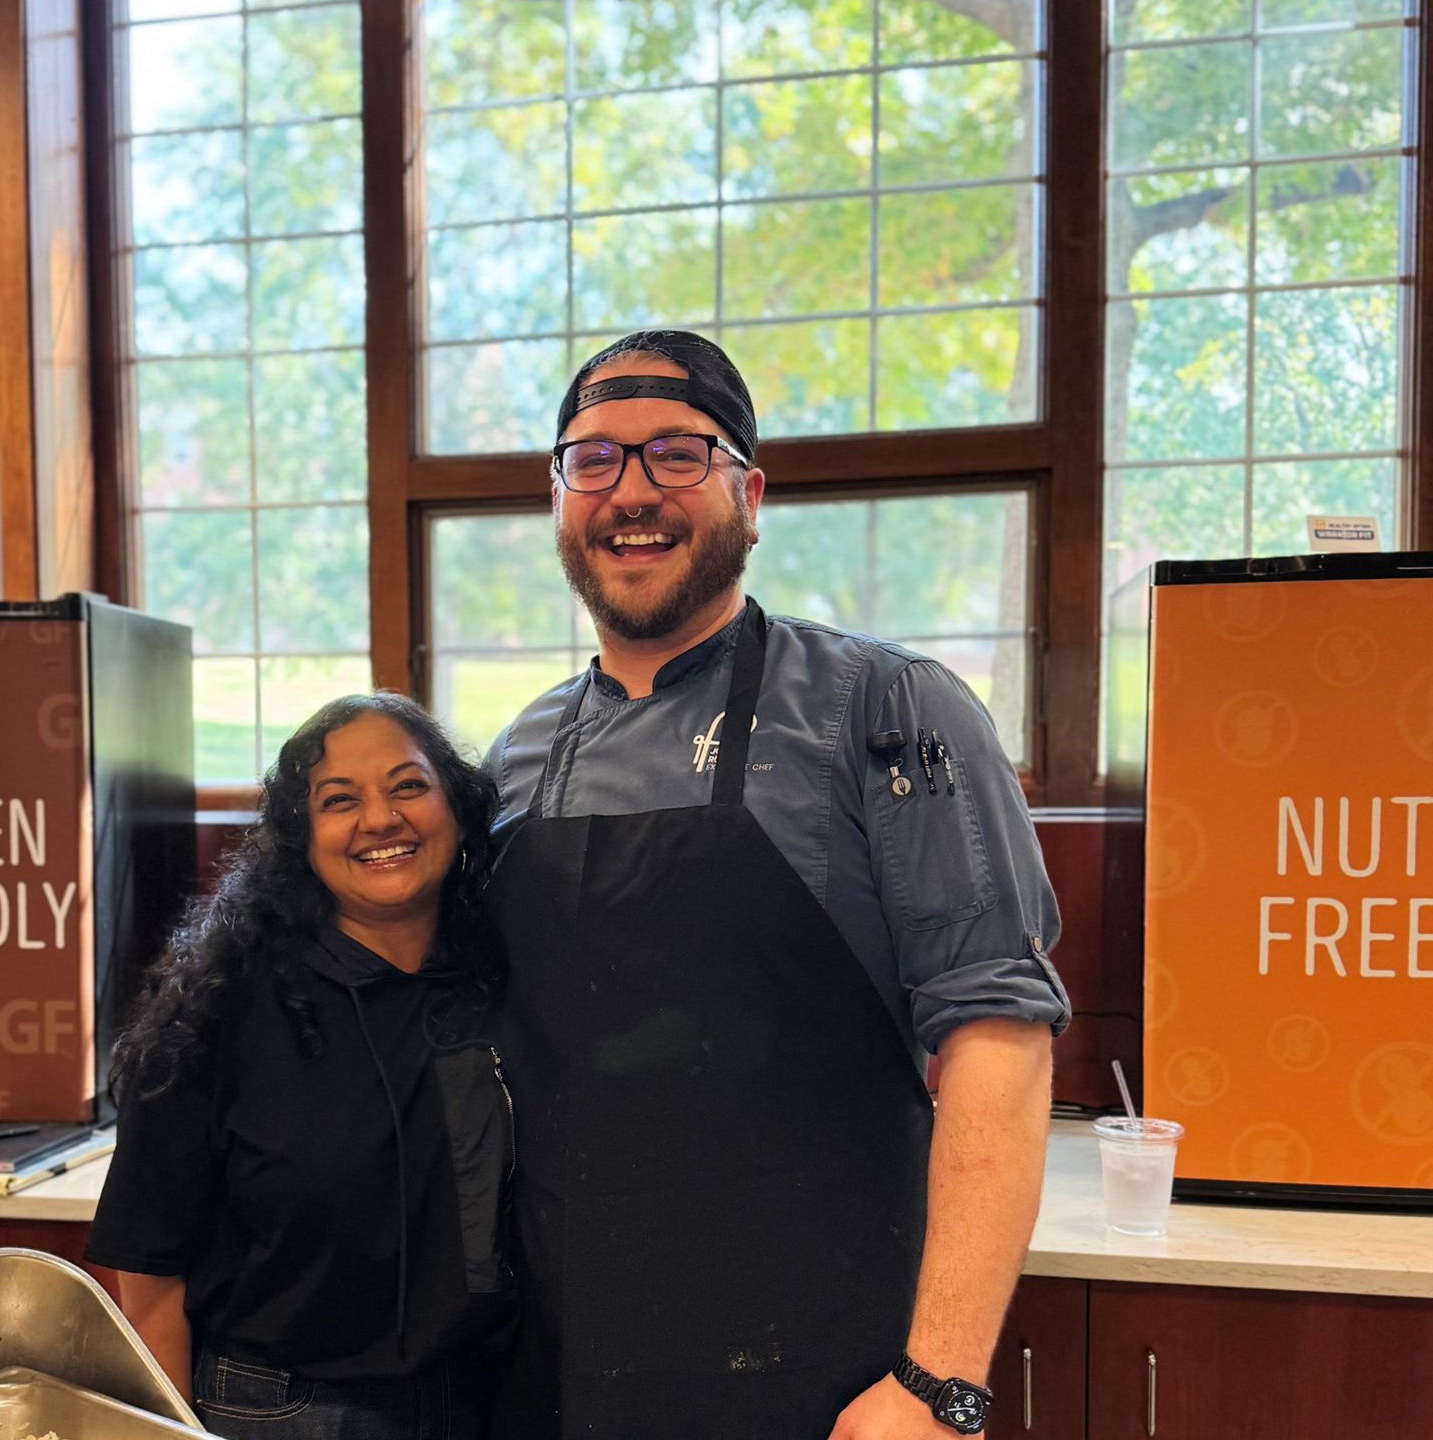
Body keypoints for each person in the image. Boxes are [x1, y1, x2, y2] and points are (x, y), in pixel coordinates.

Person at [483, 330, 1071, 1440]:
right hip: (562, 1369)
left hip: (827, 1379)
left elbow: (1001, 1040)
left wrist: (938, 1386)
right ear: (558, 498)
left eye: (676, 455)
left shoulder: (886, 710)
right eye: (594, 460)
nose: (631, 492)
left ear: (749, 496)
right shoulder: (519, 751)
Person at [87, 693, 516, 1439]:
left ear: (457, 805)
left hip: (475, 1399)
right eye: (339, 801)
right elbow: (149, 1270)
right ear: (301, 837)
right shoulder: (217, 1016)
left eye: (408, 786)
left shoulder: (502, 982)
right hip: (278, 1410)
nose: (381, 820)